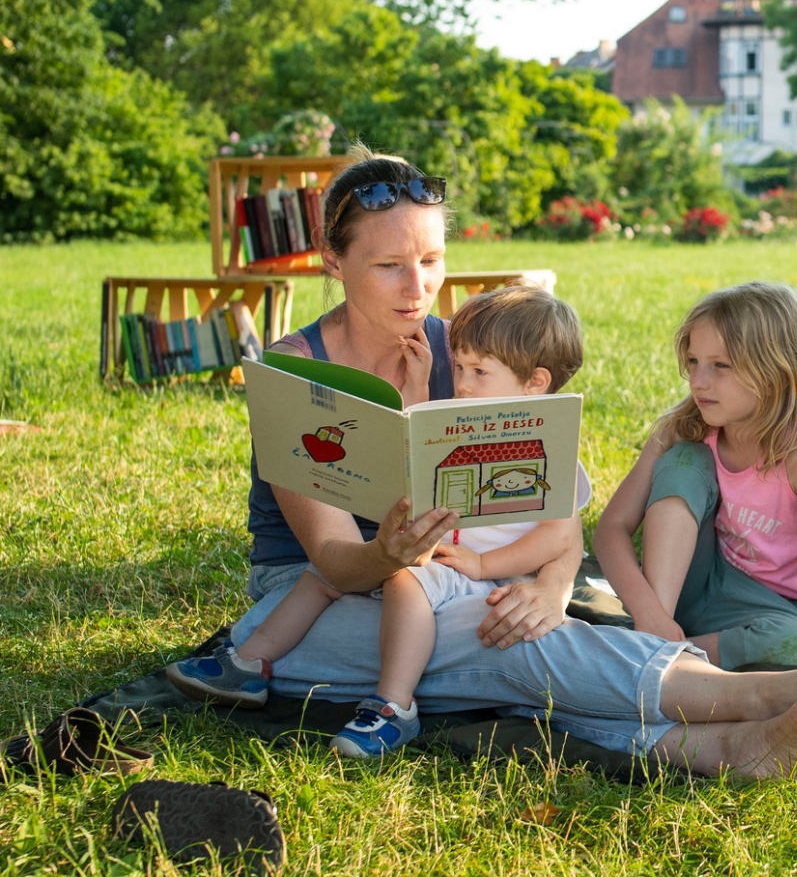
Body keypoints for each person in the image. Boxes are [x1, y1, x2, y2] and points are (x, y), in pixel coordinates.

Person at [187, 145, 797, 777]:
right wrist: (391, 554)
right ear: (332, 261)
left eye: (431, 260)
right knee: (501, 644)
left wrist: (550, 589)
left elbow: (551, 508)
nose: (417, 286)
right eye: (389, 265)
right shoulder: (293, 372)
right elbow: (335, 559)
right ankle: (749, 698)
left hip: (454, 586)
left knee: (514, 634)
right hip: (311, 602)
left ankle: (724, 749)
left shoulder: (465, 354)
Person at [168, 284, 593, 758]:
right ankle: (248, 663)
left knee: (406, 584)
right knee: (324, 575)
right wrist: (414, 393)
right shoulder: (461, 413)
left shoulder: (551, 443)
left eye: (479, 371)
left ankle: (393, 707)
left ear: (535, 382)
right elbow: (417, 448)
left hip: (484, 572)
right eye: (460, 368)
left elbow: (557, 535)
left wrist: (482, 564)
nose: (464, 383)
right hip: (442, 550)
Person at [594, 282, 797, 668]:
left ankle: (667, 657)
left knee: (795, 645)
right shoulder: (685, 425)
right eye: (693, 362)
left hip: (766, 611)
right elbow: (611, 529)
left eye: (720, 365)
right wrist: (649, 613)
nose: (698, 381)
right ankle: (650, 642)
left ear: (775, 371)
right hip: (679, 591)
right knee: (685, 460)